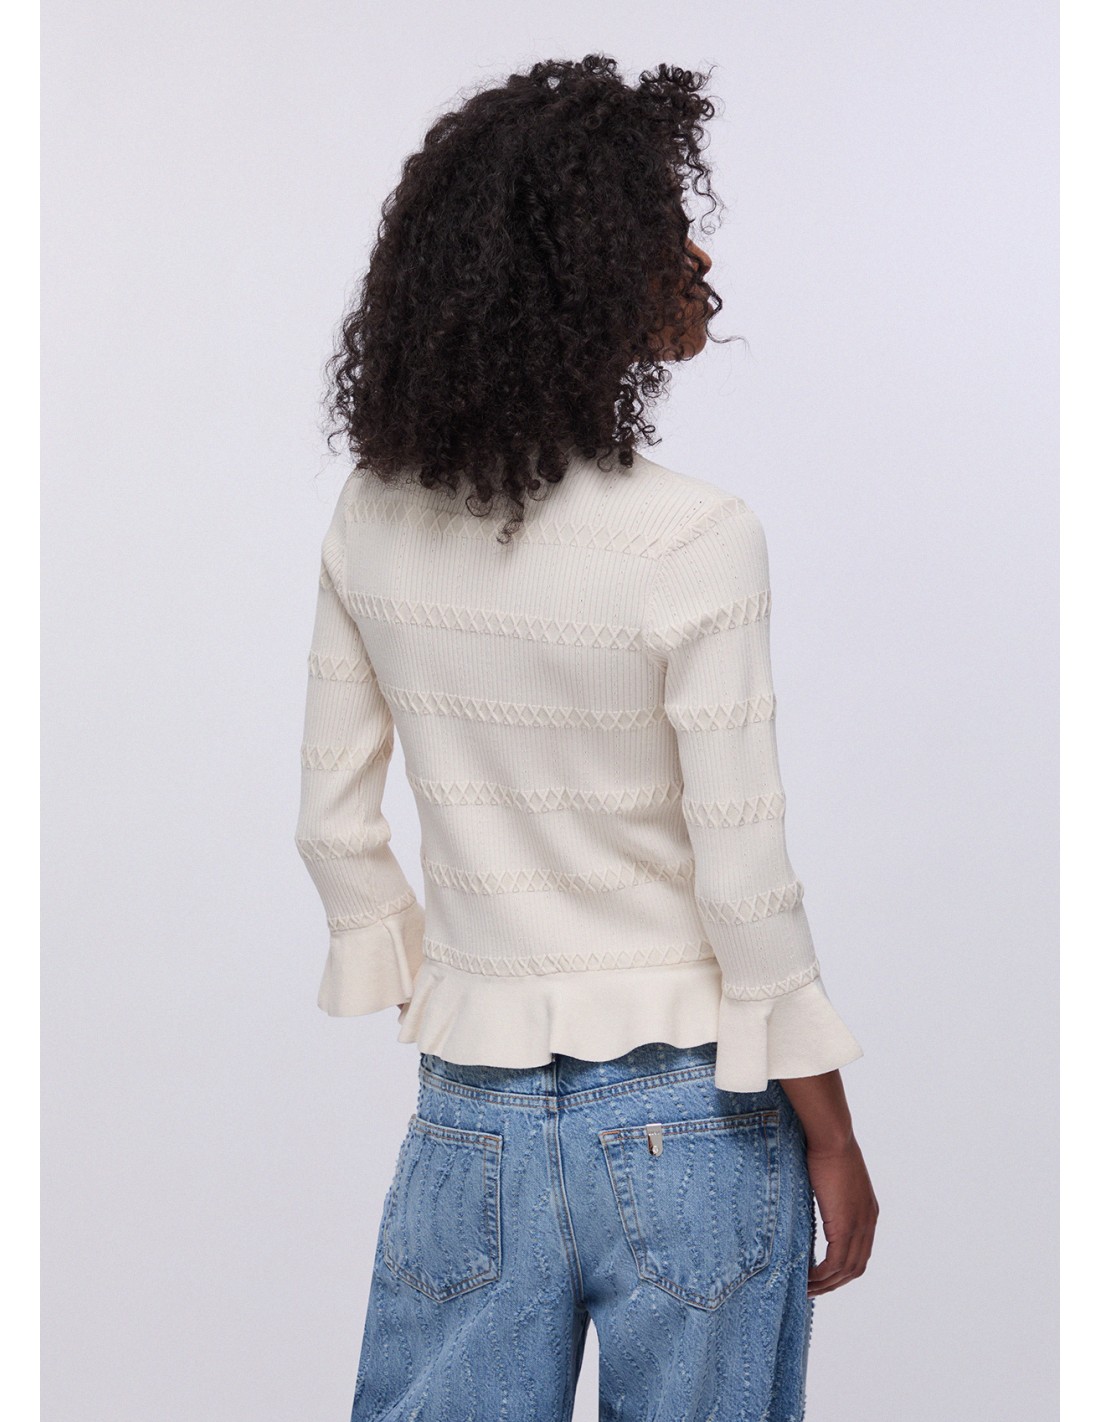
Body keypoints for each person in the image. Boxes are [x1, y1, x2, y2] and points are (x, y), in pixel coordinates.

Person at [294, 52, 878, 1422]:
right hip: (697, 1115)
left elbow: (330, 824)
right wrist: (834, 1132)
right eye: (662, 227)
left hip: (471, 1122)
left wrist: (463, 985)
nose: (698, 256)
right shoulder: (695, 538)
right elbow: (745, 884)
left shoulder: (372, 517)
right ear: (590, 272)